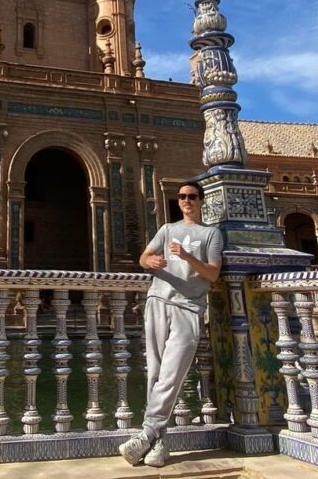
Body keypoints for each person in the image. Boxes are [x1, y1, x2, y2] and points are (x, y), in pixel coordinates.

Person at [119, 180, 223, 468]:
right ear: (177, 201)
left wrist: (187, 256)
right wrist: (148, 263)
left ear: (201, 201)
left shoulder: (211, 234)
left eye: (191, 196)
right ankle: (159, 444)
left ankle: (146, 434)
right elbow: (144, 257)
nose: (186, 200)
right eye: (181, 197)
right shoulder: (167, 229)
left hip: (189, 308)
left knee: (172, 374)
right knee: (155, 372)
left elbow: (213, 274)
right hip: (158, 300)